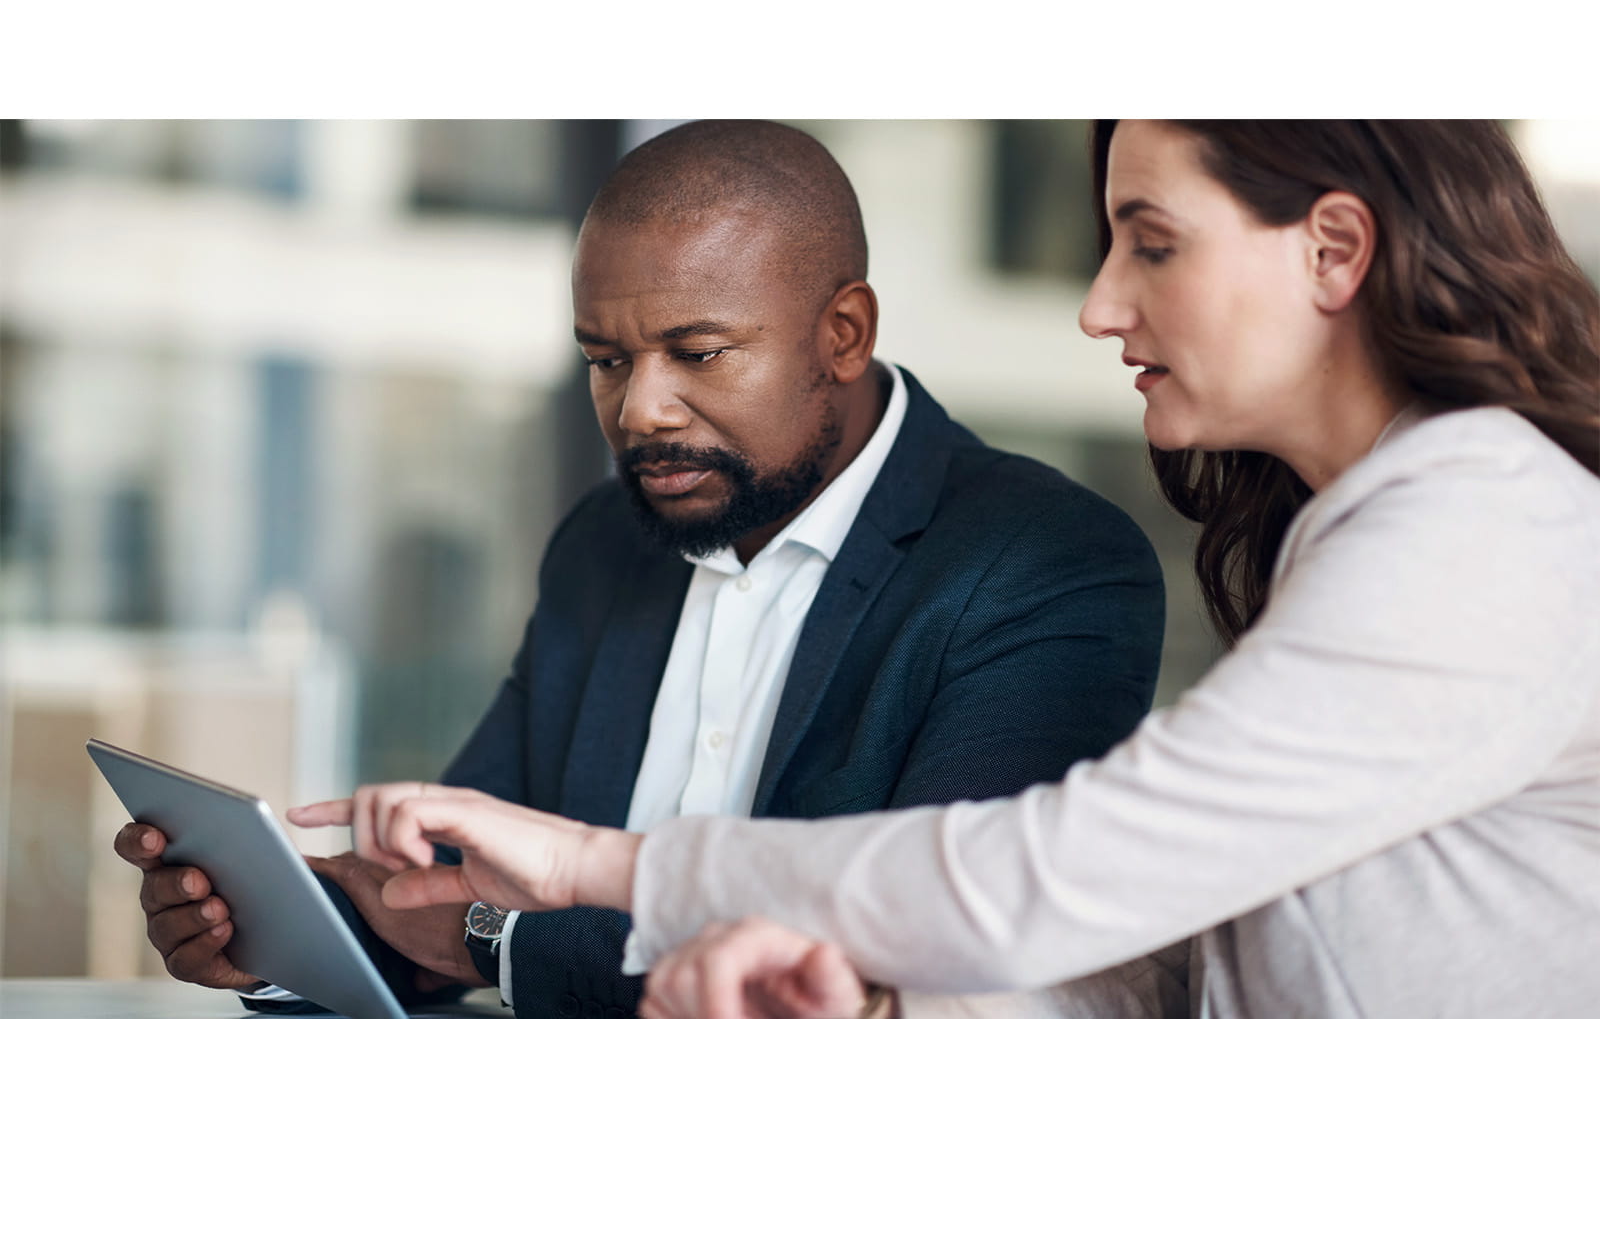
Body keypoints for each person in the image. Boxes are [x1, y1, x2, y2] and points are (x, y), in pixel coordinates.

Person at [299, 120, 1600, 1022]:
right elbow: (1173, 966)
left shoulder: (1484, 531)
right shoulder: (1367, 534)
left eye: (1151, 243)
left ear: (1333, 249)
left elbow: (1039, 877)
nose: (1099, 305)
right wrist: (873, 1009)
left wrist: (597, 868)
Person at [115, 119, 1167, 1015]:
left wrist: (495, 941)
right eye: (606, 361)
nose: (639, 410)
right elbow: (444, 891)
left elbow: (911, 959)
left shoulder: (1042, 563)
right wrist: (288, 926)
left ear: (843, 334)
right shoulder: (605, 545)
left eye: (697, 353)